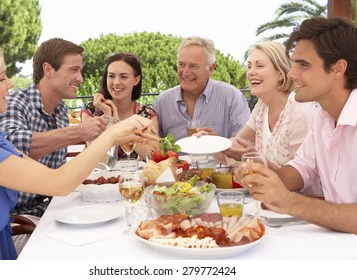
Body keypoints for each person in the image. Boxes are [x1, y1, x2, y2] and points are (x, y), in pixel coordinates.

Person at [0, 39, 156, 259]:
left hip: (9, 237)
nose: (9, 83)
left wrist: (112, 133)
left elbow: (56, 177)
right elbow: (59, 183)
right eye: (1, 78)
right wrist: (112, 134)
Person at [235, 17, 357, 234]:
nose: (291, 74)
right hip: (335, 242)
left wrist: (289, 202)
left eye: (303, 65)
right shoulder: (323, 117)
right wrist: (265, 180)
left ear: (338, 69)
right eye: (293, 64)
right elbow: (303, 167)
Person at [0, 38, 109, 219]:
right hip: (14, 219)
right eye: (74, 70)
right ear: (48, 70)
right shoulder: (16, 101)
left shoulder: (61, 110)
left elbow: (56, 176)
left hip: (46, 211)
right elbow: (9, 146)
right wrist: (78, 132)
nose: (80, 78)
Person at [219, 41, 317, 169]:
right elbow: (236, 145)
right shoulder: (262, 106)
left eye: (259, 66)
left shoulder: (299, 110)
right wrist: (208, 141)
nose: (251, 72)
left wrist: (257, 162)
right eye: (249, 67)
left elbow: (300, 177)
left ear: (281, 73)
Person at [153, 36, 251, 141]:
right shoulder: (162, 102)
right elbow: (153, 148)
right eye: (181, 65)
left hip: (218, 158)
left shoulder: (232, 98)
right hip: (175, 158)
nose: (185, 72)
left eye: (193, 66)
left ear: (210, 69)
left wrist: (218, 144)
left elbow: (245, 146)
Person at [81, 52, 159, 160]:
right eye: (111, 76)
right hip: (100, 176)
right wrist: (109, 115)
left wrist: (123, 128)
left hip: (134, 176)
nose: (116, 82)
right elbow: (99, 159)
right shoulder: (92, 110)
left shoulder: (146, 114)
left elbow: (154, 157)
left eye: (124, 77)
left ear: (136, 80)